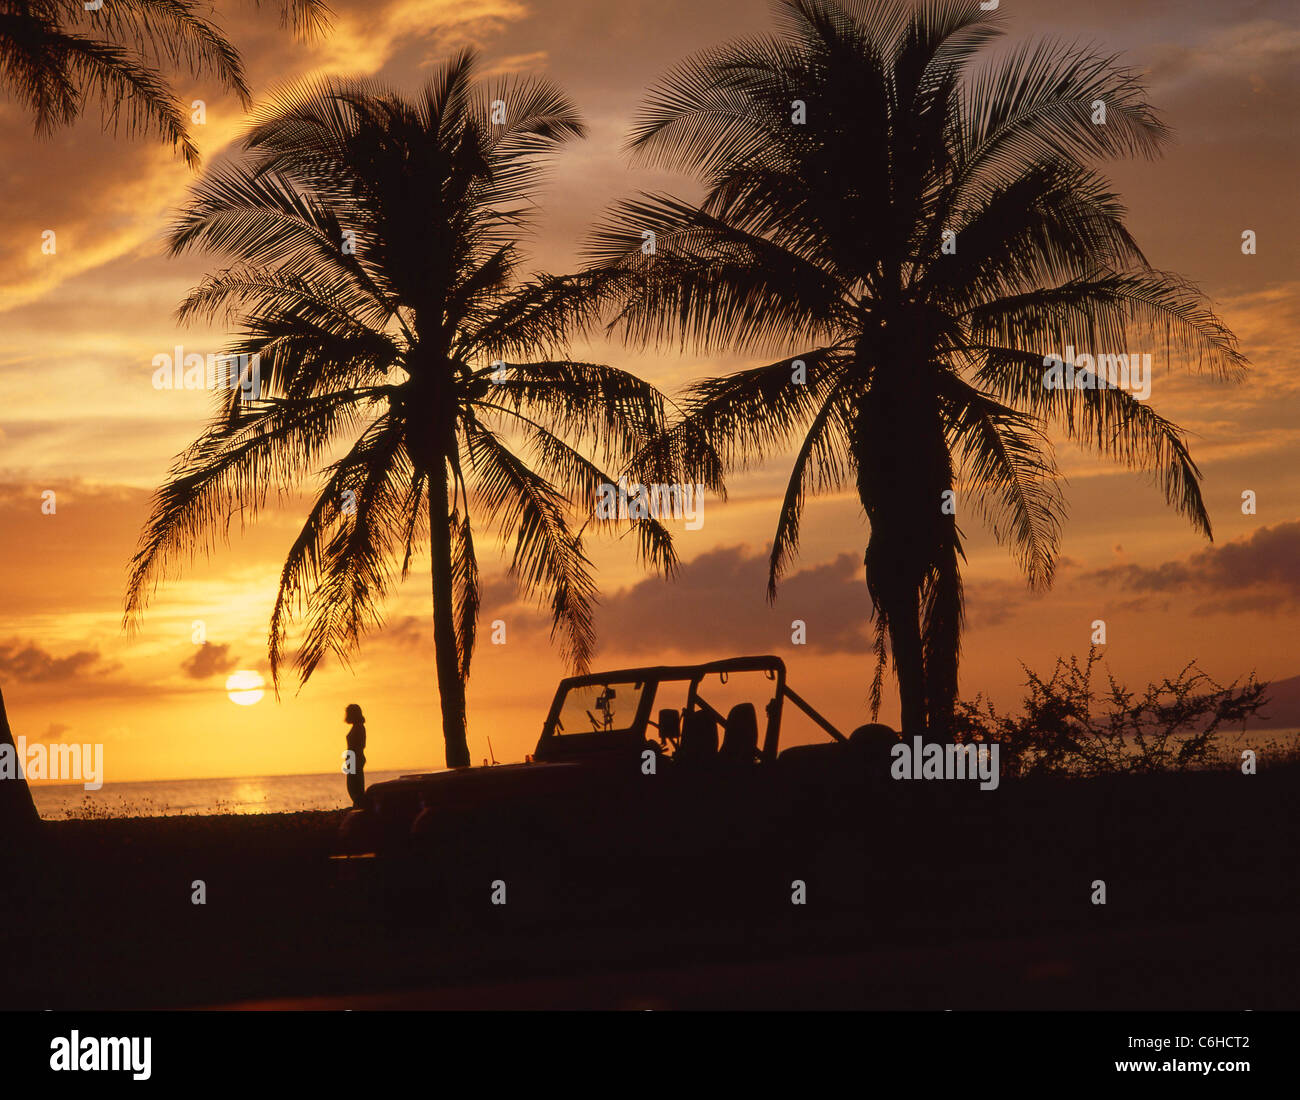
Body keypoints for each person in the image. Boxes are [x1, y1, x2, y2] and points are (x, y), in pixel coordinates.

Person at [344, 703, 367, 808]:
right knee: (352, 786)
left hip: (355, 759)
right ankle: (359, 805)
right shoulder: (357, 727)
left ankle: (360, 806)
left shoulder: (359, 728)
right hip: (352, 759)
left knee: (355, 787)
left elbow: (360, 745)